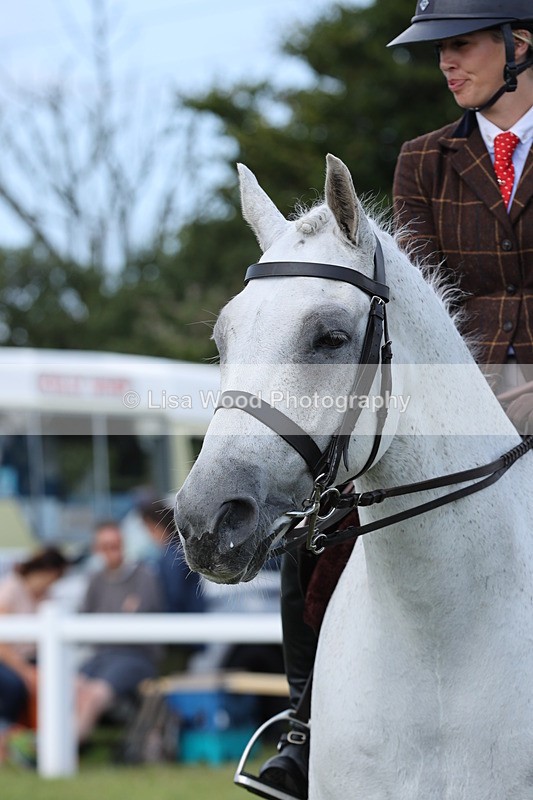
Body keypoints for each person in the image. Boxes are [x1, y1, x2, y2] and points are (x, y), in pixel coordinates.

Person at [249, 3, 533, 799]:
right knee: (318, 525)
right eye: (439, 50)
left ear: (521, 43)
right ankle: (304, 731)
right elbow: (414, 304)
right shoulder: (423, 161)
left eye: (461, 44)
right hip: (457, 393)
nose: (445, 63)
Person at [75, 520, 164, 744]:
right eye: (106, 547)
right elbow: (84, 620)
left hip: (134, 657)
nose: (112, 552)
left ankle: (68, 747)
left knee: (94, 694)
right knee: (70, 688)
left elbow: (141, 617)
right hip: (101, 656)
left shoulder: (144, 575)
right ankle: (60, 746)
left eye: (116, 545)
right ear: (97, 549)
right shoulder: (94, 580)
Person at [0, 547, 69, 762]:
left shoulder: (46, 596)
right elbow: (2, 642)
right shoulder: (10, 590)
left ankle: (49, 740)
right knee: (14, 687)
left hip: (34, 658)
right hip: (9, 659)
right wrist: (25, 671)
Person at [139, 500, 206, 615]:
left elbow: (174, 596)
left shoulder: (172, 556)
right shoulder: (180, 550)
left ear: (155, 526)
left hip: (182, 621)